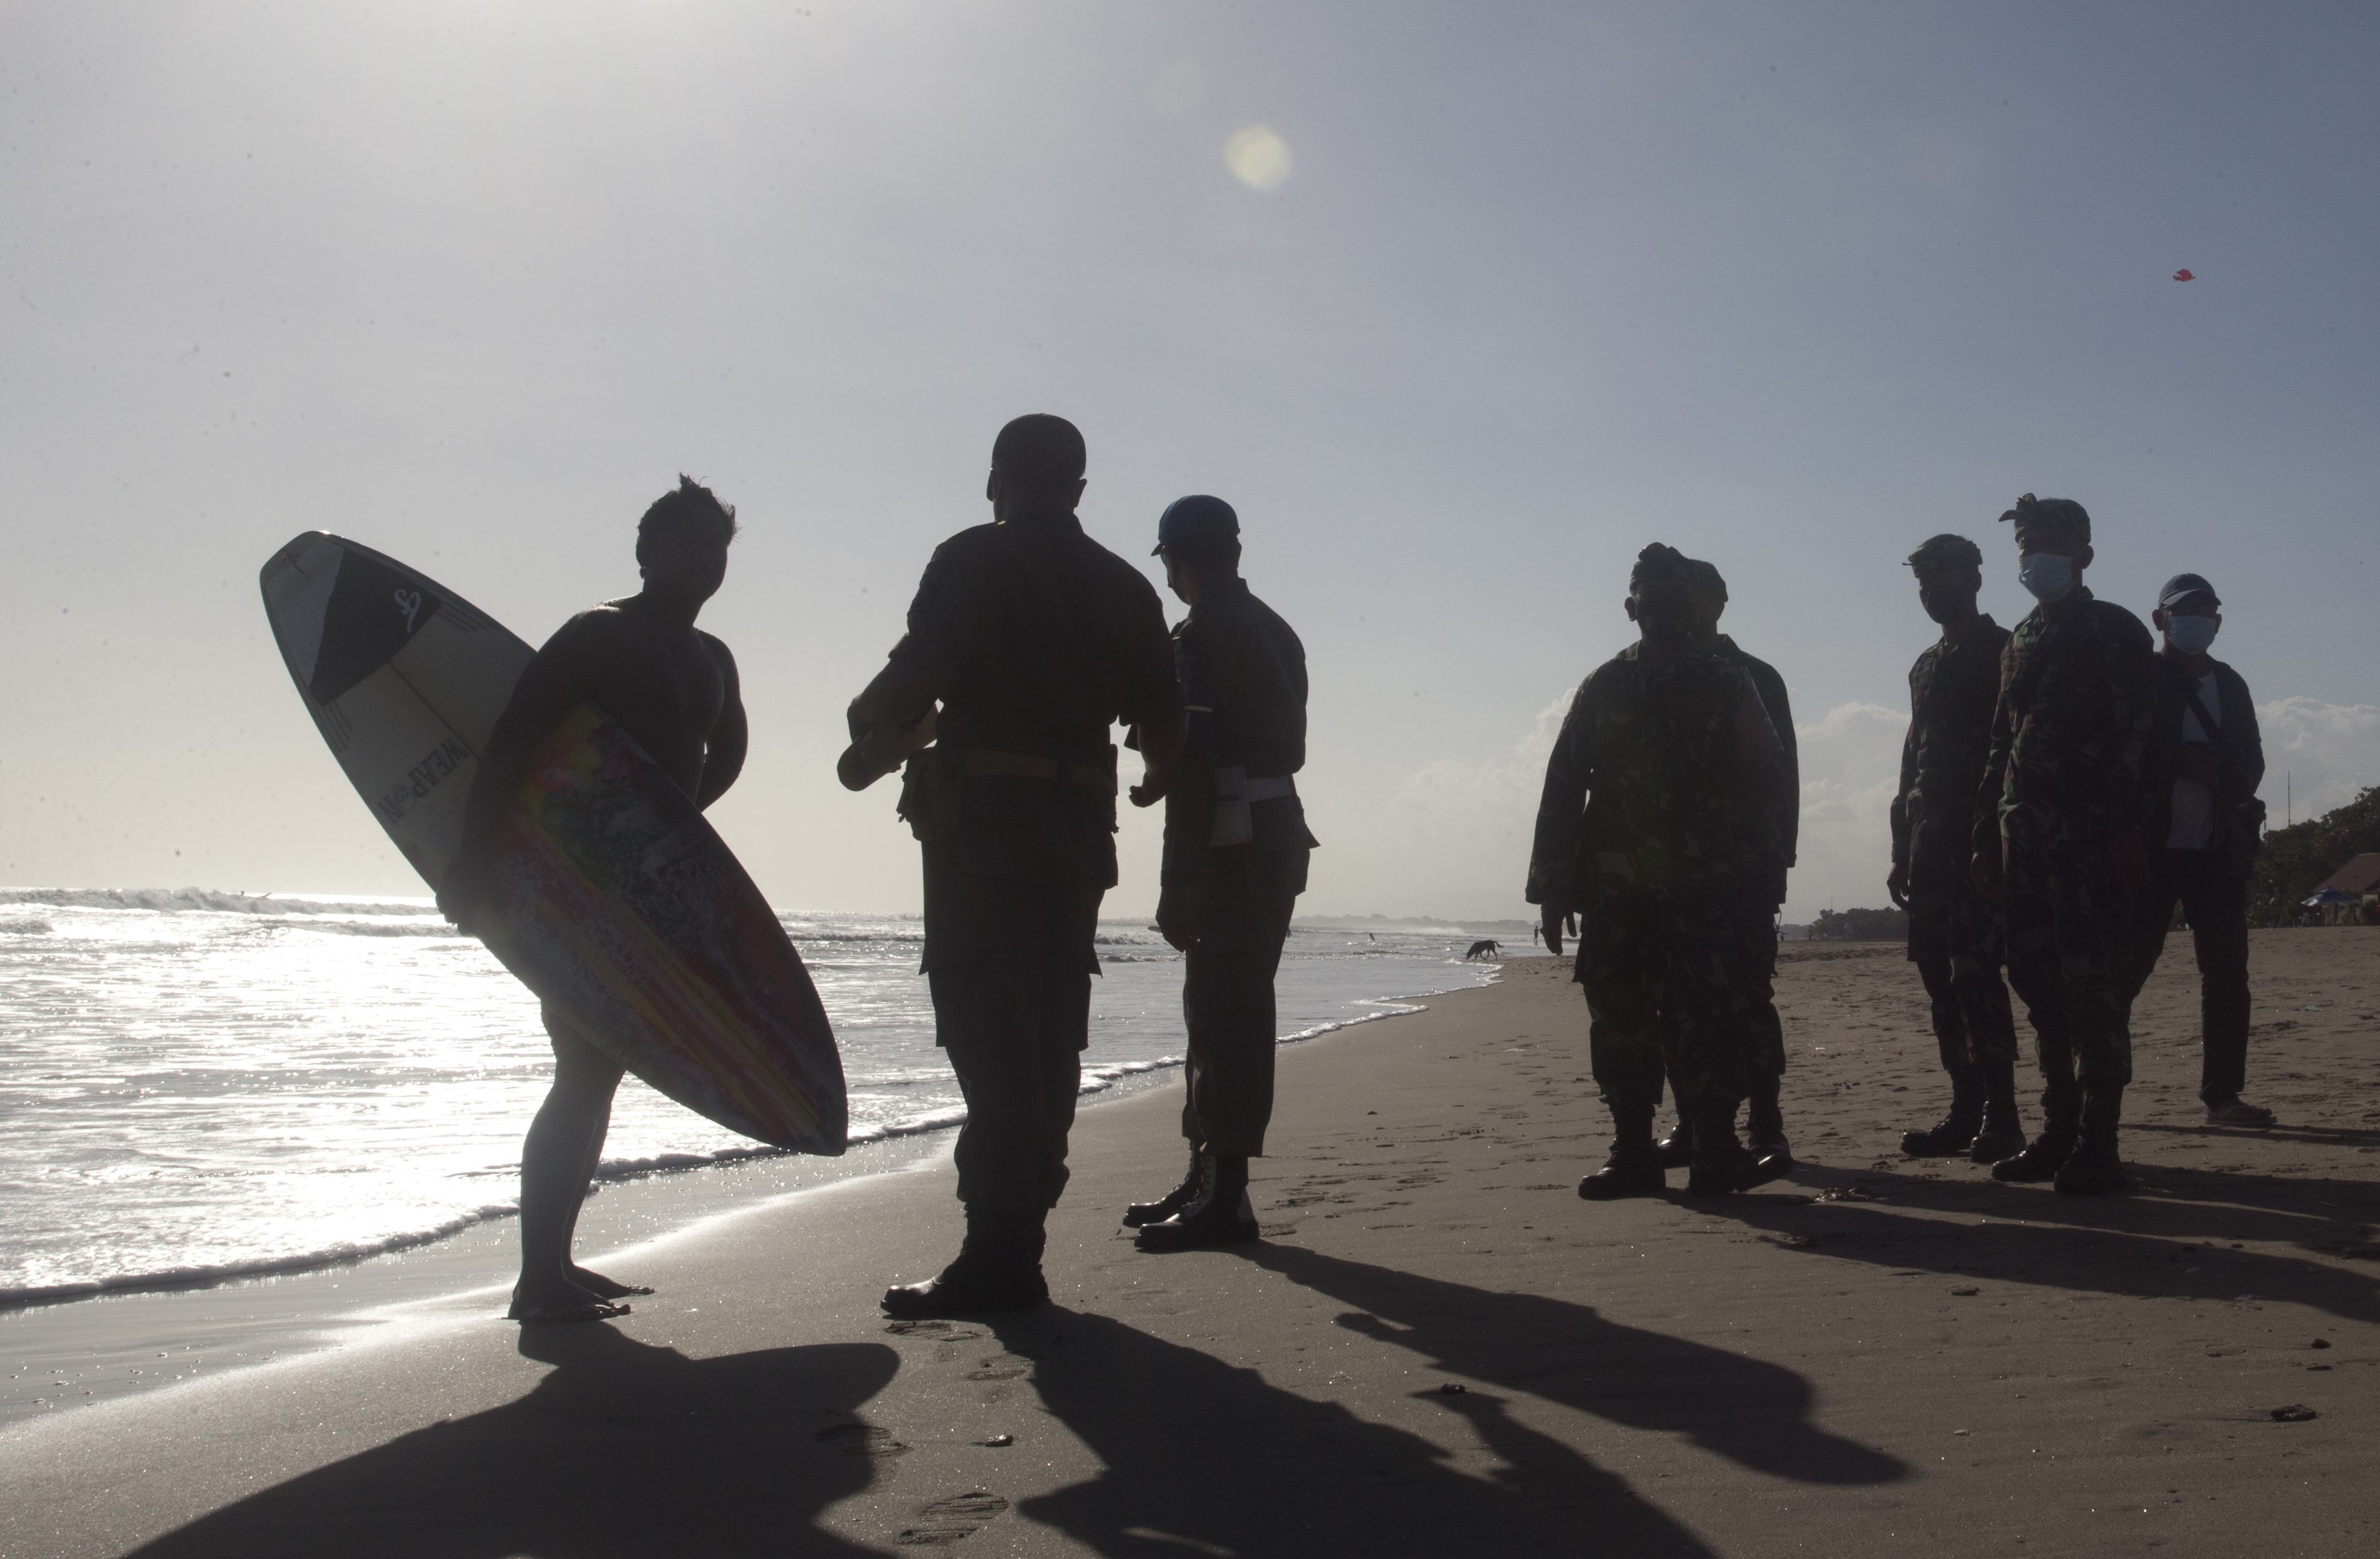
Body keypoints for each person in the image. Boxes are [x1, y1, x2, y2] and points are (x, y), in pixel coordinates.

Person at [841, 414, 1184, 1316]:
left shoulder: (972, 559)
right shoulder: (1127, 587)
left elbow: (915, 676)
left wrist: (867, 720)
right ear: (1078, 490)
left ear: (996, 480)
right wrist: (1153, 779)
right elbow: (1164, 728)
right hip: (1079, 836)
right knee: (1049, 1029)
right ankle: (1020, 1230)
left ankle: (1000, 1253)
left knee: (989, 1032)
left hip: (983, 836)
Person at [438, 475, 750, 1323]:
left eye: (717, 546)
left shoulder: (712, 657)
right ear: (646, 551)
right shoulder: (600, 633)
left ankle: (556, 1263)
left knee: (598, 1069)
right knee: (582, 1066)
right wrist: (474, 861)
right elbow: (513, 739)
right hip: (575, 885)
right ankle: (538, 1278)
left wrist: (669, 828)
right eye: (687, 542)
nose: (705, 558)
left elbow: (725, 754)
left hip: (644, 890)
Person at [1527, 544, 1792, 1200]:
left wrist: (1758, 874)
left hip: (1712, 889)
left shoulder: (1730, 682)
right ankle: (1633, 1152)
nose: (1665, 609)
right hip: (1620, 890)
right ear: (1631, 608)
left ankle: (1716, 1152)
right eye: (1652, 598)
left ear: (1693, 605)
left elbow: (1768, 779)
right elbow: (1563, 785)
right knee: (1620, 1018)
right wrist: (1553, 886)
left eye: (1677, 598)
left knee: (1712, 1017)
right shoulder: (1604, 684)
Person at [1124, 495, 1318, 1250]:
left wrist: (1179, 880)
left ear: (1175, 561)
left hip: (1230, 839)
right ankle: (1206, 1176)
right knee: (1224, 1006)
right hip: (1272, 831)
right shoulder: (1273, 627)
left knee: (1224, 1015)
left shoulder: (1203, 634)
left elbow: (1198, 764)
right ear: (1234, 552)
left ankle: (1225, 1195)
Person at [1970, 495, 2159, 1196]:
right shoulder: (2018, 639)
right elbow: (2002, 744)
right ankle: (2057, 1132)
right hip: (2024, 843)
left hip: (2092, 843)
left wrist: (2130, 829)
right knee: (2039, 987)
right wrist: (1985, 837)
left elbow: (2142, 737)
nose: (2035, 556)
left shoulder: (2114, 629)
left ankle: (2098, 1144)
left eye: (2050, 542)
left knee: (2092, 991)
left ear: (2084, 555)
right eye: (2026, 545)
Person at [1649, 559, 1797, 1169]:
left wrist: (1776, 863)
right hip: (1670, 876)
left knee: (1748, 999)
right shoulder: (1655, 674)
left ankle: (1766, 1125)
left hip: (1744, 872)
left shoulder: (1753, 675)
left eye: (1695, 594)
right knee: (1675, 1004)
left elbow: (1781, 779)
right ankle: (1694, 1124)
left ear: (1716, 602)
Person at [1885, 535, 2026, 1162]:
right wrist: (1901, 845)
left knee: (1976, 973)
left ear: (1974, 579)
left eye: (1941, 577)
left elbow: (2017, 746)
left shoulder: (2005, 651)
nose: (1930, 591)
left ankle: (2003, 1114)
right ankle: (1965, 1108)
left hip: (1982, 839)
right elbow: (1914, 755)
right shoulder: (1925, 664)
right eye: (1922, 581)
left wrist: (1998, 838)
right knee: (1938, 977)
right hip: (1929, 843)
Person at [2118, 573, 2272, 1126]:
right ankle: (2097, 1091)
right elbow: (2117, 750)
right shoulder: (2138, 678)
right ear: (2159, 619)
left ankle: (2223, 1097)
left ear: (2219, 622)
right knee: (2122, 973)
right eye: (2184, 612)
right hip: (2148, 850)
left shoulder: (2230, 683)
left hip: (2217, 850)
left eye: (2205, 613)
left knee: (2228, 976)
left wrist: (2229, 776)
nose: (2195, 622)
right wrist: (2175, 761)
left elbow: (2253, 757)